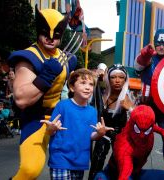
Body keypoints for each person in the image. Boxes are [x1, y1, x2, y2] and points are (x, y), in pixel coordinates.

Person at [7, 6, 77, 180]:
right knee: (30, 170)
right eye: (46, 33)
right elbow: (21, 99)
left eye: (57, 34)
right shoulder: (28, 57)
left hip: (61, 119)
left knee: (73, 166)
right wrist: (46, 76)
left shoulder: (68, 59)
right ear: (39, 30)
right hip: (36, 119)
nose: (51, 38)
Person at [40, 68, 113, 180]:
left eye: (91, 84)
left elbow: (91, 135)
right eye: (83, 83)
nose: (88, 87)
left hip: (80, 160)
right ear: (72, 87)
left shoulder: (92, 111)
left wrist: (100, 133)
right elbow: (50, 131)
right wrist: (51, 128)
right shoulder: (62, 106)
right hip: (60, 158)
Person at [134, 28, 164, 173]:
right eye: (158, 43)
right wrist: (145, 54)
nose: (161, 46)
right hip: (147, 107)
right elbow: (138, 66)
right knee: (139, 140)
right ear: (155, 44)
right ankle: (132, 169)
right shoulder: (148, 58)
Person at [89, 64, 134, 179]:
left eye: (121, 77)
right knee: (97, 161)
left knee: (120, 164)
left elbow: (139, 120)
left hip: (120, 135)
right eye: (113, 77)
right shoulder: (101, 93)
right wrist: (96, 77)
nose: (117, 81)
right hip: (102, 133)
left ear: (125, 80)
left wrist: (130, 109)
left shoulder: (129, 98)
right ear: (108, 79)